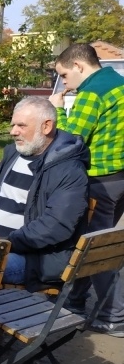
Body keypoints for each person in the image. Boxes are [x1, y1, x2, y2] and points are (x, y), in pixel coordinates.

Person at [49, 43, 124, 337]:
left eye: (65, 76)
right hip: (120, 177)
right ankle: (74, 302)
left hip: (99, 182)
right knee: (86, 243)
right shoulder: (118, 84)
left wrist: (58, 111)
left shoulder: (92, 92)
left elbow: (71, 140)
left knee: (98, 250)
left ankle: (114, 317)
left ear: (79, 66)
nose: (65, 83)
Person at [0, 97, 89, 288]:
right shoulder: (13, 154)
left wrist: (5, 243)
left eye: (21, 125)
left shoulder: (69, 169)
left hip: (33, 257)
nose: (13, 132)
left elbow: (55, 225)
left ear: (46, 126)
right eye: (13, 125)